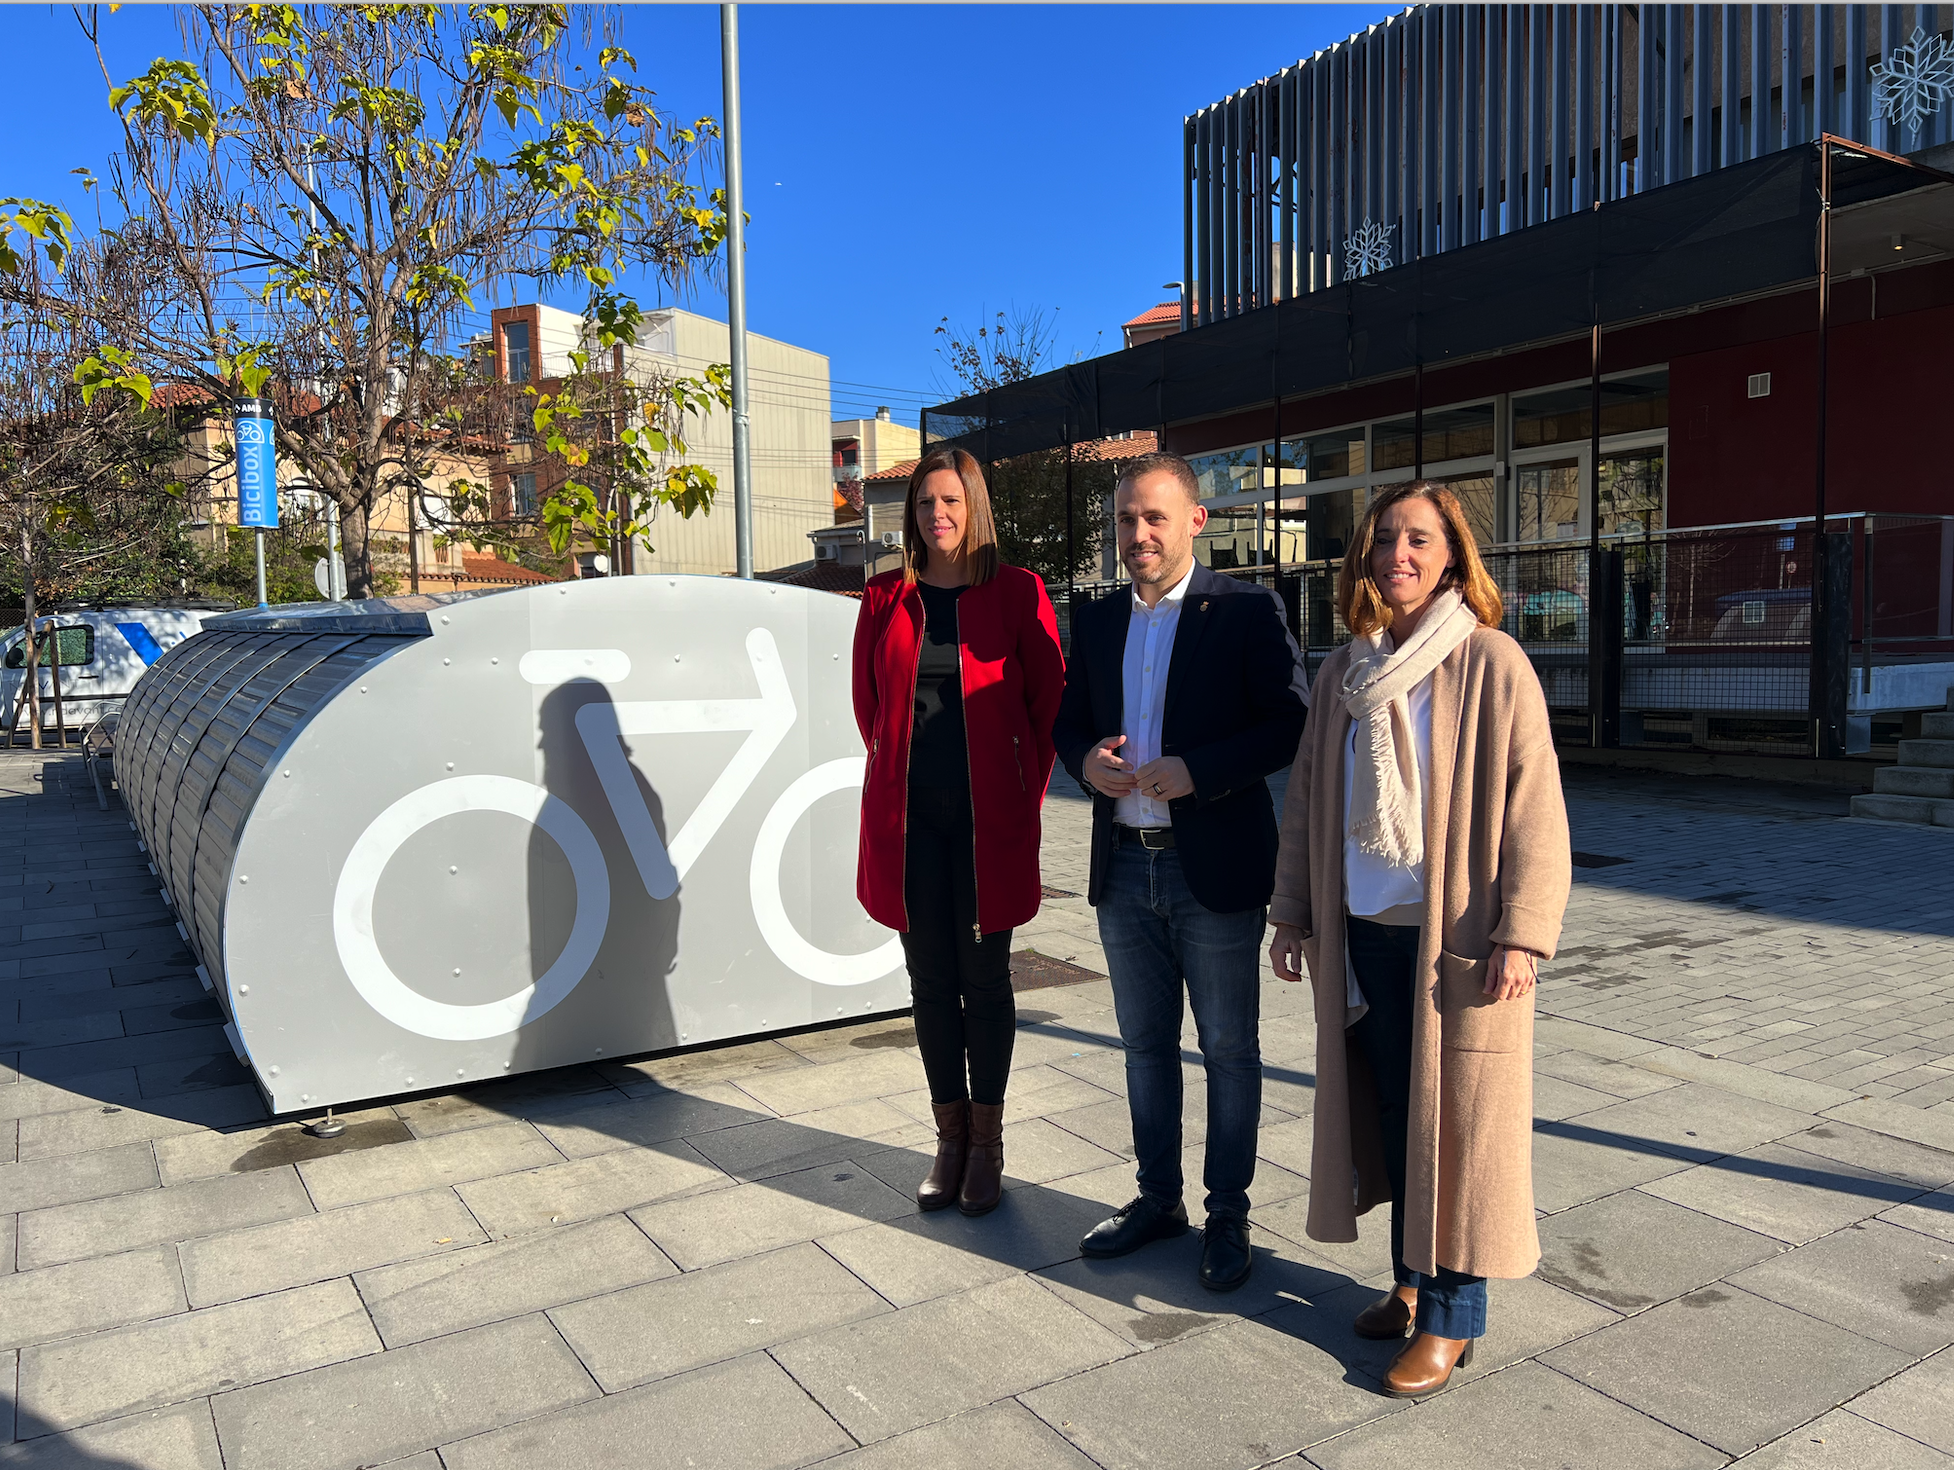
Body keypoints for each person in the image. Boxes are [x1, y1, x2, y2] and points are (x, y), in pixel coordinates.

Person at [1268, 480, 1570, 1398]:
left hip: (1458, 945)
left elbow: (1536, 805)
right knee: (1395, 1117)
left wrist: (1525, 931)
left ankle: (1451, 1318)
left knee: (1461, 1132)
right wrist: (1292, 910)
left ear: (1450, 557)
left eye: (1419, 541)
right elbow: (1308, 803)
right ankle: (1409, 1279)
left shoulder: (1491, 662)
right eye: (1384, 539)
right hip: (1364, 935)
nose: (1398, 555)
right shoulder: (1344, 672)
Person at [1053, 451, 1308, 1290]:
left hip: (1216, 869)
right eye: (1126, 519)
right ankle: (1157, 1199)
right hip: (1124, 867)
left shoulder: (1244, 610)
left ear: (1196, 520)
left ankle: (1227, 1213)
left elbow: (1287, 724)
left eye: (1154, 517)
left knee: (1230, 1050)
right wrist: (1085, 761)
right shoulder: (1092, 621)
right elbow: (1068, 726)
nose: (1137, 534)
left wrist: (1201, 769)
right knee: (1143, 1048)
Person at [852, 448, 1065, 1216]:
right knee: (930, 983)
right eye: (922, 504)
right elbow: (868, 709)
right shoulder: (882, 598)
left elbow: (1047, 712)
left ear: (973, 505)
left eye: (949, 501)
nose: (935, 515)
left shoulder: (1017, 593)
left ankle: (989, 1144)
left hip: (986, 826)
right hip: (910, 825)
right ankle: (948, 1139)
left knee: (986, 981)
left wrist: (1016, 797)